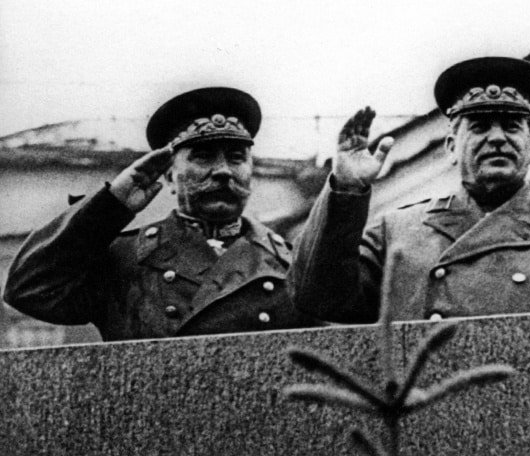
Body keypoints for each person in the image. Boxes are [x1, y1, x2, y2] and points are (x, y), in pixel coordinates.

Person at [290, 56, 530, 323]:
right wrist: (345, 191)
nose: (496, 138)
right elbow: (317, 299)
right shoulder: (396, 234)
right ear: (451, 146)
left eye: (511, 125)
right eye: (479, 127)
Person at [4, 87, 319, 340]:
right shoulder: (126, 259)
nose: (223, 171)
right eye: (203, 156)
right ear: (169, 176)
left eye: (236, 157)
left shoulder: (290, 263)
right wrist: (110, 205)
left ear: (251, 171)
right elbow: (28, 289)